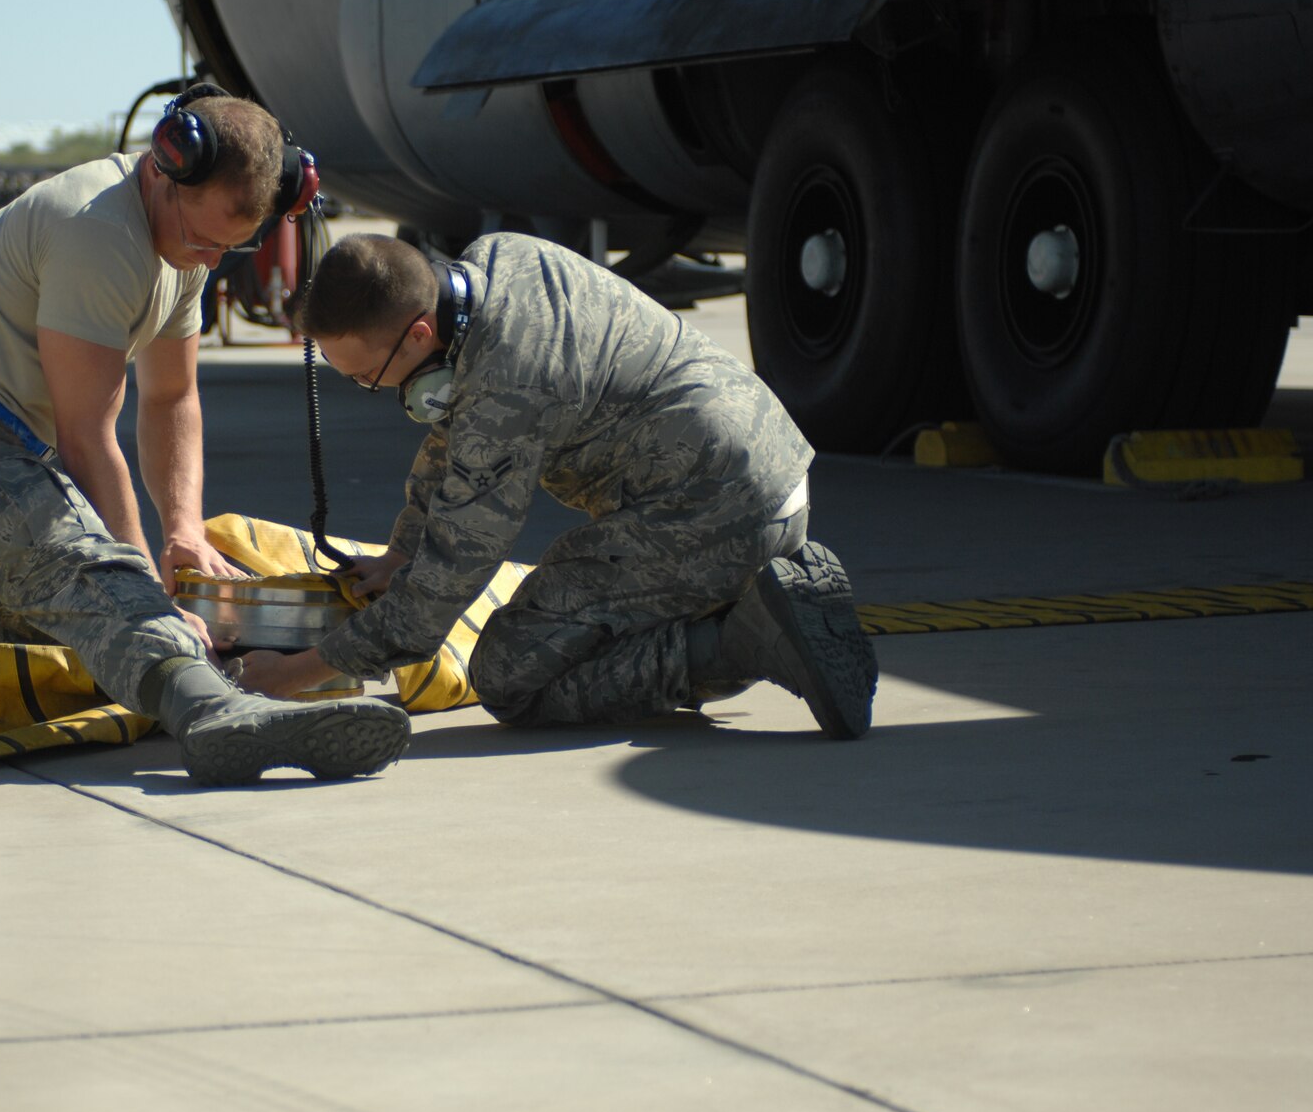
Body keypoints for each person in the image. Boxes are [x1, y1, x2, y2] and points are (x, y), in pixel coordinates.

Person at [0, 88, 409, 786]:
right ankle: (219, 717)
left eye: (230, 246)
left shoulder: (181, 247)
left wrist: (182, 530)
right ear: (164, 167)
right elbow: (88, 437)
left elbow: (171, 395)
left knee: (96, 641)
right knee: (108, 592)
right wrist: (150, 597)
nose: (210, 262)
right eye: (202, 240)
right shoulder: (97, 228)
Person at [236, 231, 879, 739]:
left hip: (712, 512)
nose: (374, 393)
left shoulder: (507, 390)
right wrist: (402, 550)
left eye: (368, 378)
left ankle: (742, 641)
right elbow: (450, 430)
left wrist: (293, 674)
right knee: (591, 616)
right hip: (769, 470)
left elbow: (434, 601)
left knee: (511, 674)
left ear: (419, 335)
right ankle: (749, 604)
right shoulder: (496, 262)